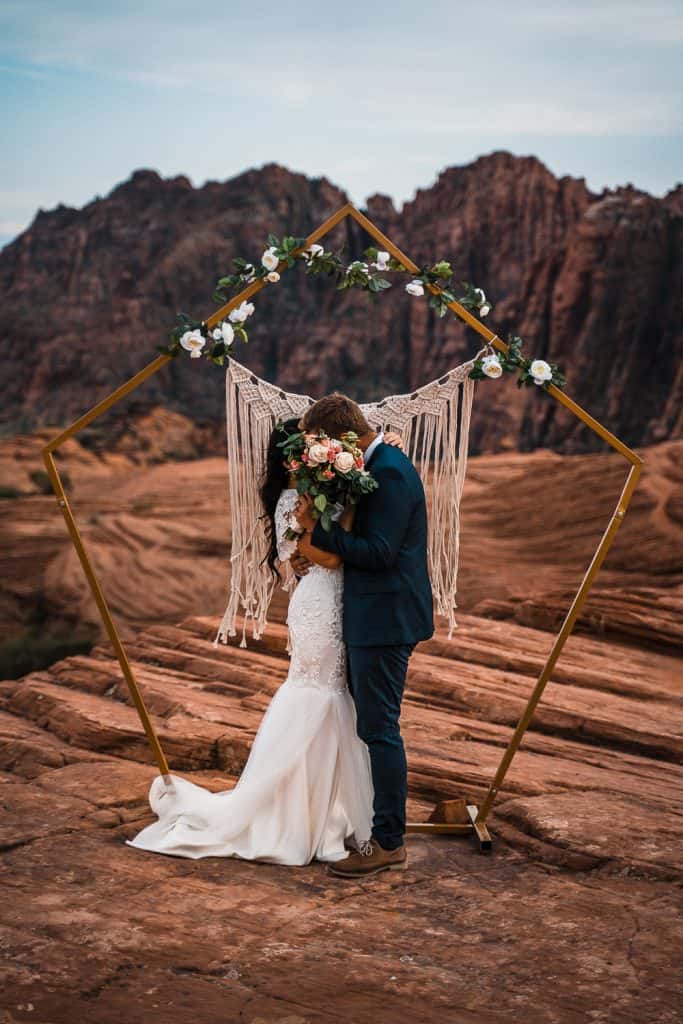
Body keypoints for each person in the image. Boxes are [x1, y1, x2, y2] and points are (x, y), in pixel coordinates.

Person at [126, 417, 405, 867]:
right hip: (320, 605)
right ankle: (295, 816)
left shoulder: (321, 494)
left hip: (338, 603)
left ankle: (322, 812)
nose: (320, 452)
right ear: (294, 457)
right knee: (318, 694)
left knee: (334, 698)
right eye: (313, 448)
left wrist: (388, 446)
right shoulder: (294, 500)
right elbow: (313, 557)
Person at [292, 393, 433, 878]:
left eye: (318, 444)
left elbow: (379, 551)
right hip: (376, 615)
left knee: (379, 729)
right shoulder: (381, 462)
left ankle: (389, 843)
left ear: (340, 441)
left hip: (385, 619)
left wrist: (316, 531)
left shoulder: (390, 471)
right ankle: (376, 829)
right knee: (374, 725)